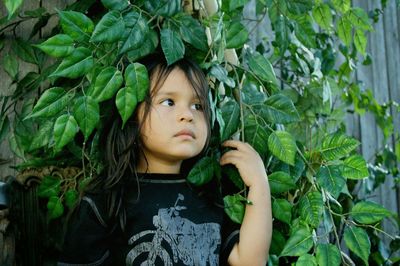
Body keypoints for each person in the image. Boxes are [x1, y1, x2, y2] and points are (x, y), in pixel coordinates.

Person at [58, 54, 272, 266]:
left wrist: (259, 184)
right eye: (168, 101)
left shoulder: (212, 193)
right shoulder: (107, 199)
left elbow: (250, 262)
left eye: (198, 106)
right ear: (132, 113)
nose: (187, 115)